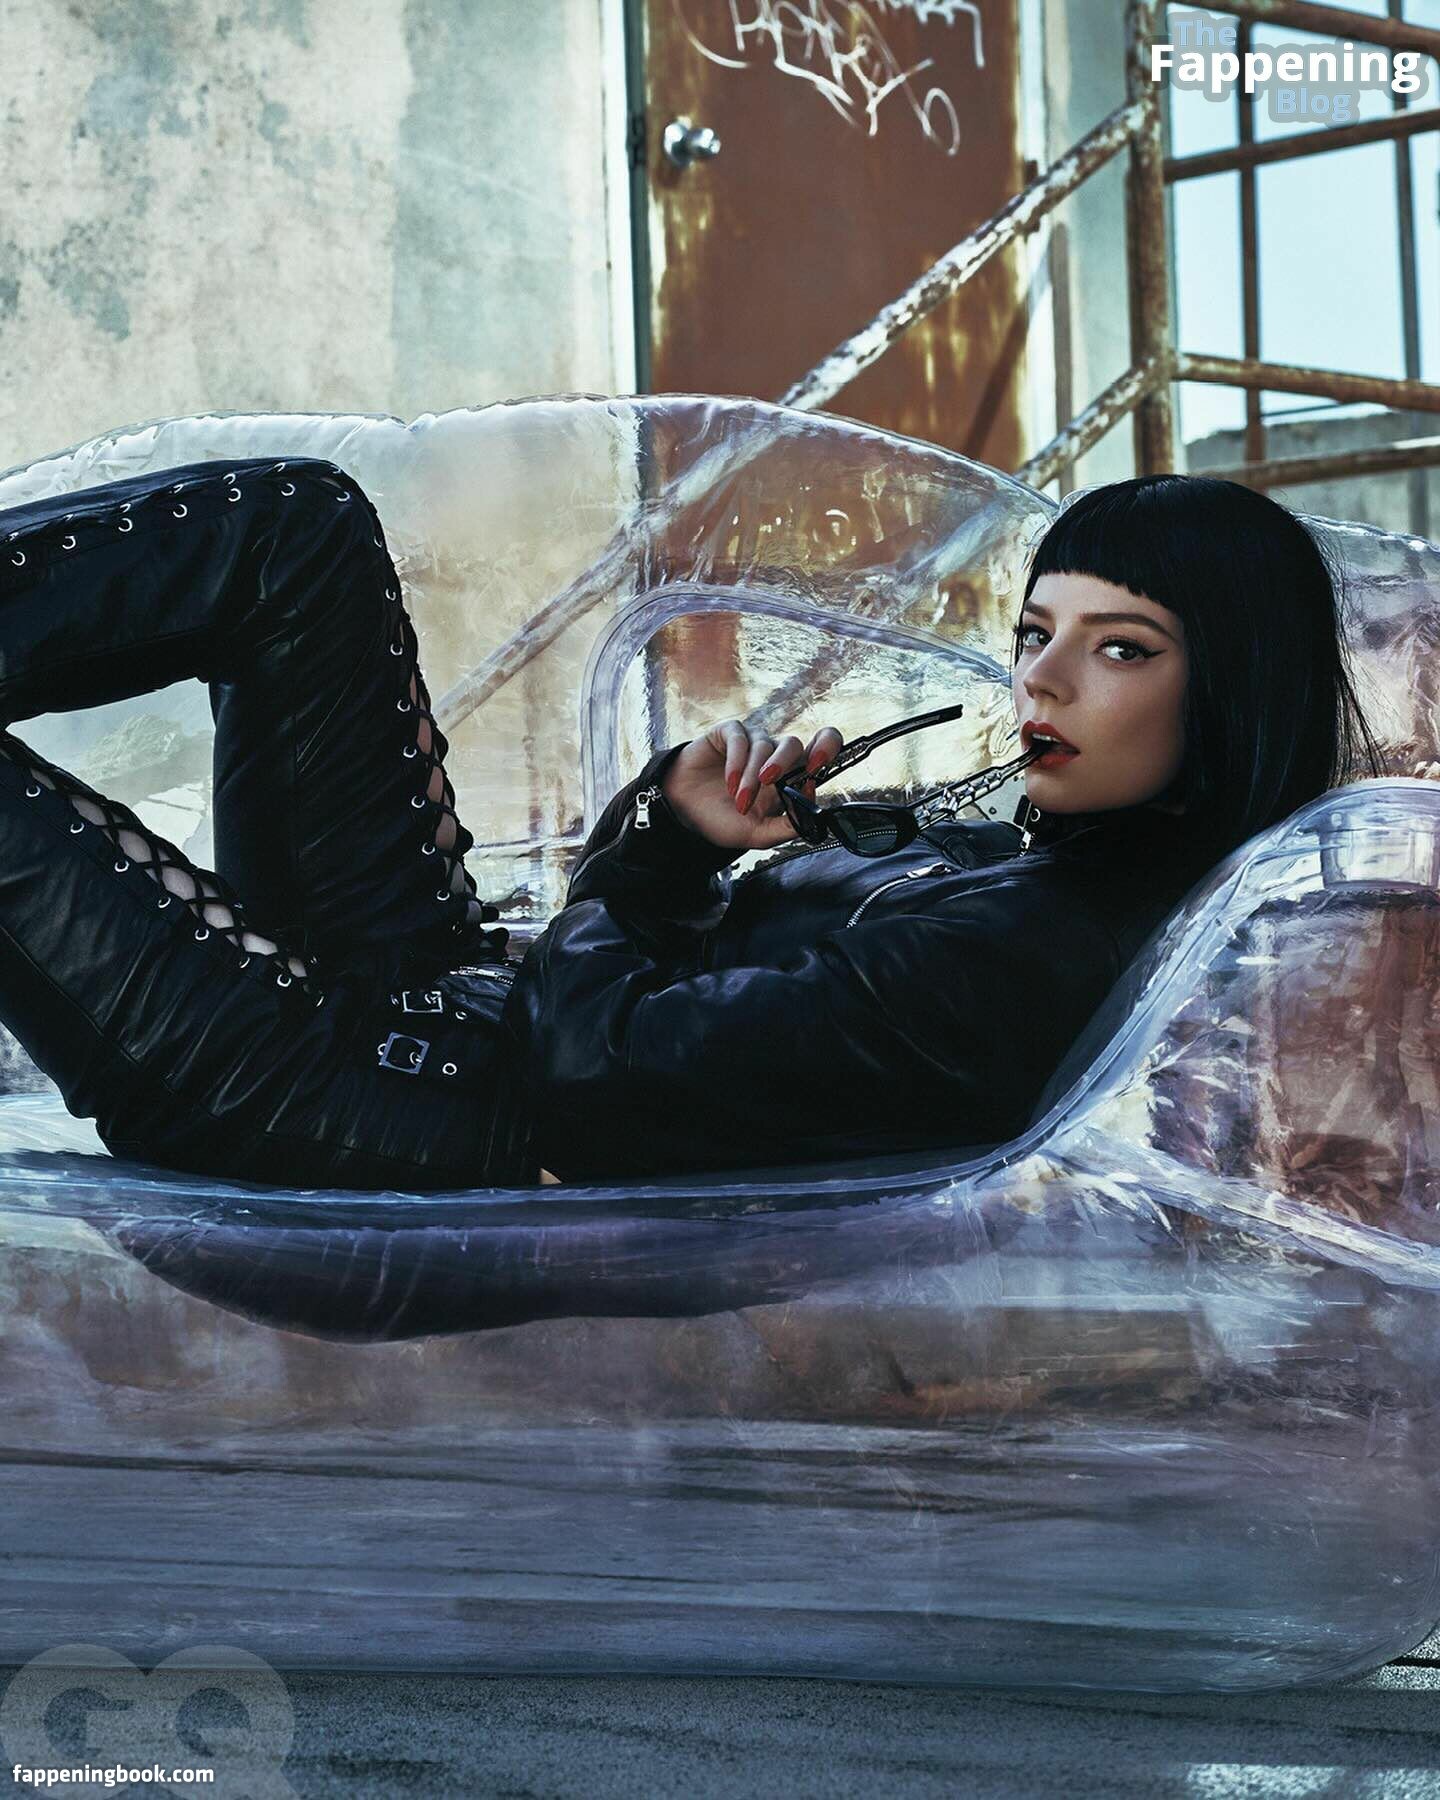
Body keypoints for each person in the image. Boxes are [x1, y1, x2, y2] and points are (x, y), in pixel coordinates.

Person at [0, 459, 1381, 1194]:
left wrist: (659, 851)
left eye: (1123, 648)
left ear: (1231, 691)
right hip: (455, 1003)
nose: (1043, 682)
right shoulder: (1044, 857)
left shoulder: (1033, 951)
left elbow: (600, 1075)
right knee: (298, 531)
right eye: (1035, 633)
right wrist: (701, 833)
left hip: (375, 1115)